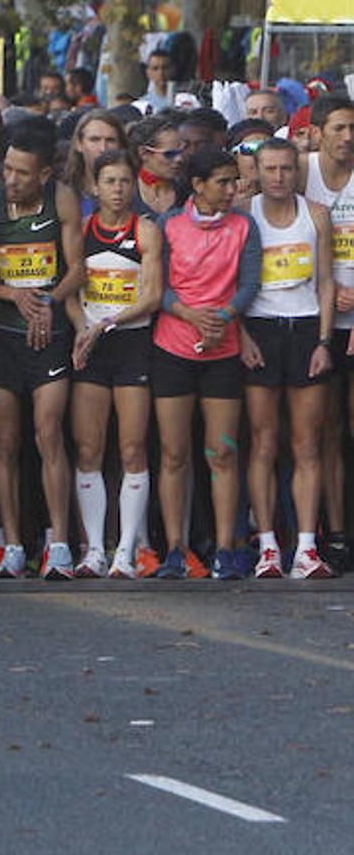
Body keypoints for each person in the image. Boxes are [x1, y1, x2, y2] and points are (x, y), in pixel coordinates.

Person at [0, 118, 86, 578]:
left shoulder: (61, 199)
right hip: (3, 334)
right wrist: (14, 295)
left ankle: (59, 542)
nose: (12, 180)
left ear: (44, 174)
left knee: (47, 432)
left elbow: (77, 268)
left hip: (51, 333)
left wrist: (48, 302)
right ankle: (14, 543)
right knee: (5, 440)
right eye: (8, 170)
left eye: (22, 172)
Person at [152, 150, 260, 579]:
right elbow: (156, 287)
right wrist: (188, 314)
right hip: (173, 347)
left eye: (234, 181)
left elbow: (250, 283)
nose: (232, 189)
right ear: (197, 185)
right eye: (223, 182)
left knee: (223, 453)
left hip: (223, 349)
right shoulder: (169, 225)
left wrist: (223, 317)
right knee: (174, 454)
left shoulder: (243, 226)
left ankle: (225, 547)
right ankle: (176, 548)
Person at [240, 140, 335, 578]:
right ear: (257, 171)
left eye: (286, 169)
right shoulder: (244, 212)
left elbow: (326, 284)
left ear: (297, 171)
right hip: (259, 330)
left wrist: (324, 341)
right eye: (271, 169)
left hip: (304, 330)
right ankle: (267, 546)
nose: (279, 177)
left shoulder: (315, 214)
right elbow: (230, 281)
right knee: (263, 443)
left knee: (307, 445)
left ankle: (307, 547)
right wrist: (241, 335)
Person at [68, 151, 162, 578]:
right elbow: (68, 287)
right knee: (89, 449)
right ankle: (93, 550)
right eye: (110, 181)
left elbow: (152, 295)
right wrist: (81, 328)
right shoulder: (82, 230)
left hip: (130, 343)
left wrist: (105, 322)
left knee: (132, 448)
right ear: (95, 186)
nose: (118, 190)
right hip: (91, 345)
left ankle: (126, 549)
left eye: (125, 181)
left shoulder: (145, 231)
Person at [305, 95, 354, 573]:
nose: (348, 137)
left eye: (353, 128)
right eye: (339, 128)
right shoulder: (302, 172)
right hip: (317, 321)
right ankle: (335, 532)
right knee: (327, 429)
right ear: (318, 131)